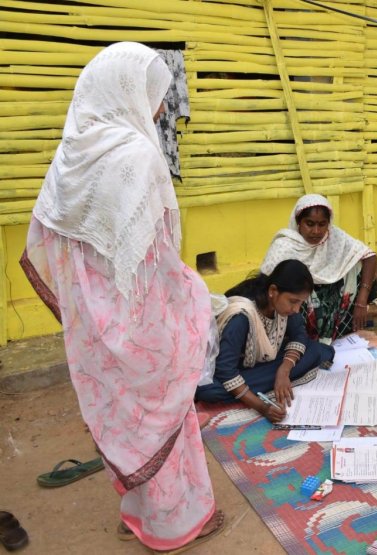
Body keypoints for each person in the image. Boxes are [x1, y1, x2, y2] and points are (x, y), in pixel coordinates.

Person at [19, 42, 224, 552]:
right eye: (157, 95)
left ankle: (136, 513)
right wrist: (191, 299)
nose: (160, 107)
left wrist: (93, 310)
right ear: (128, 91)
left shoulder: (73, 154)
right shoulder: (137, 155)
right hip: (143, 316)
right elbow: (154, 260)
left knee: (124, 418)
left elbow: (48, 243)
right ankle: (177, 524)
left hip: (95, 323)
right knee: (166, 412)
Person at [194, 259, 335, 422]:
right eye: (293, 301)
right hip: (231, 368)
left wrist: (284, 371)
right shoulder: (241, 317)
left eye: (301, 302)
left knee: (318, 350)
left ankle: (268, 380)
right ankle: (262, 384)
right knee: (209, 390)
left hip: (263, 362)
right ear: (273, 291)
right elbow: (225, 370)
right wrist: (263, 407)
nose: (297, 309)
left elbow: (299, 335)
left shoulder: (282, 306)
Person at [260, 194, 377, 343]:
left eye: (322, 224)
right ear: (298, 222)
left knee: (357, 266)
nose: (316, 231)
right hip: (300, 306)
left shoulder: (333, 236)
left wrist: (362, 300)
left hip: (331, 302)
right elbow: (266, 284)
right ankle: (300, 341)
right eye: (309, 224)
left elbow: (369, 256)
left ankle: (340, 334)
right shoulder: (284, 246)